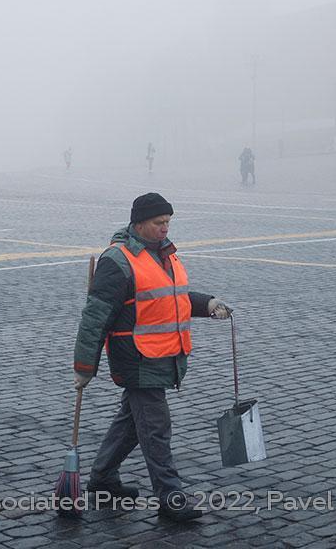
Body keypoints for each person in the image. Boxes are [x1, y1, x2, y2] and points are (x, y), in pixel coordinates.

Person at [73, 193, 231, 523]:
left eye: (168, 222)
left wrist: (207, 304)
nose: (165, 228)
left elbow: (173, 297)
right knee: (156, 428)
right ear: (139, 223)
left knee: (131, 424)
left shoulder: (164, 255)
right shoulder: (117, 261)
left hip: (164, 355)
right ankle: (171, 498)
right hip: (138, 360)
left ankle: (102, 478)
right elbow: (96, 316)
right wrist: (85, 367)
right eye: (159, 223)